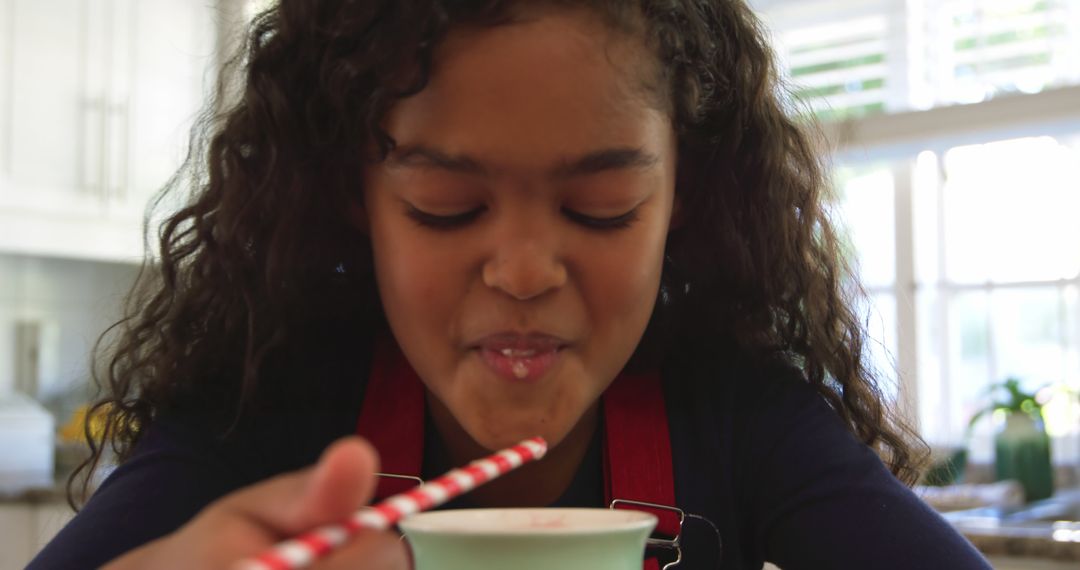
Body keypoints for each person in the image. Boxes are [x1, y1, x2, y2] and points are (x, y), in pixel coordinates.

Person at [30, 1, 992, 569]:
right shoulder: (261, 411)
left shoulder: (740, 417)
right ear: (350, 197)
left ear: (684, 200)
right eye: (446, 206)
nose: (525, 272)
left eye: (603, 206)